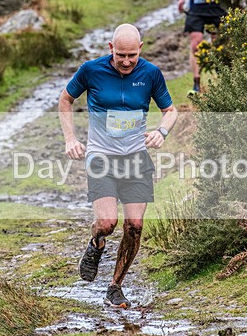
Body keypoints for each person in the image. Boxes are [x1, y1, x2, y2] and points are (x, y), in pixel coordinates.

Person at [58, 24, 177, 308]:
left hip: (136, 157)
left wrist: (161, 132)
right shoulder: (91, 70)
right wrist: (70, 139)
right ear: (111, 48)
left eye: (132, 55)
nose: (126, 61)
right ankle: (97, 243)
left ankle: (115, 287)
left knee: (134, 225)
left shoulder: (151, 73)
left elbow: (170, 111)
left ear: (141, 49)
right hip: (101, 157)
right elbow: (65, 99)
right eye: (121, 54)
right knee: (107, 223)